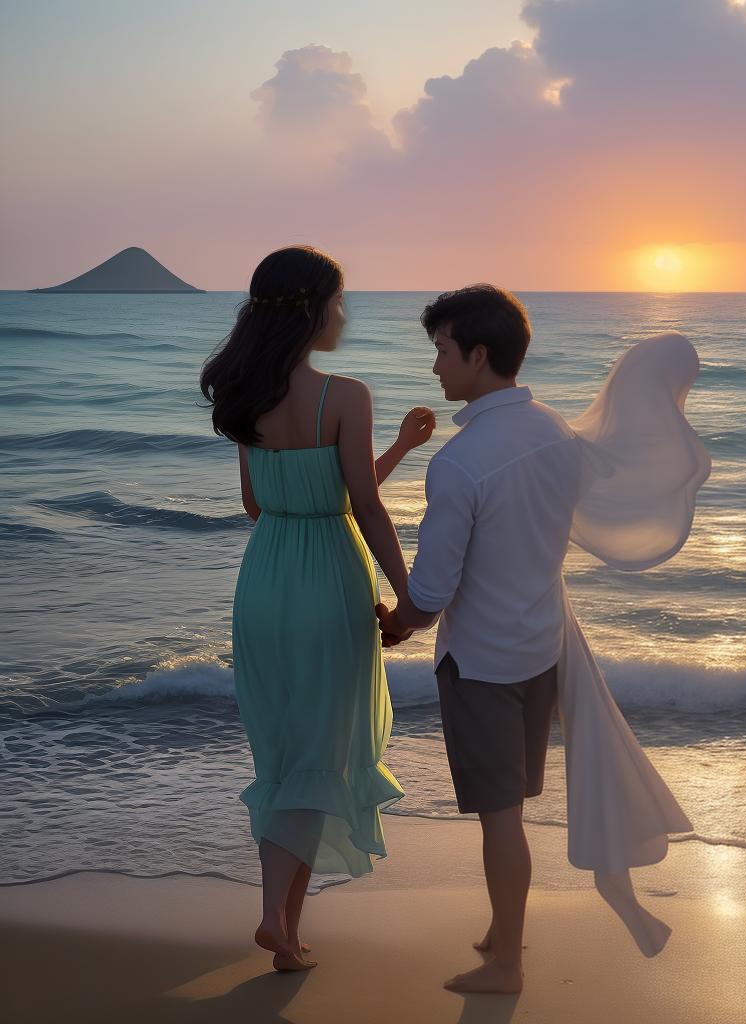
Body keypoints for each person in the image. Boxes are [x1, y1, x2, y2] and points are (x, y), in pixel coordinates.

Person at [200, 245, 435, 972]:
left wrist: (395, 447)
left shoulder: (243, 396)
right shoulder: (346, 395)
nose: (345, 313)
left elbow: (259, 503)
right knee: (321, 752)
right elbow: (360, 503)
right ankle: (273, 916)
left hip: (265, 581)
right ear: (313, 308)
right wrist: (410, 595)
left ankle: (288, 936)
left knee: (285, 753)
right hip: (330, 580)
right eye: (339, 300)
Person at [377, 284, 584, 994]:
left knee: (500, 819)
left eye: (441, 350)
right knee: (512, 807)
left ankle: (507, 967)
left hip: (485, 664)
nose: (435, 366)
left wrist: (395, 621)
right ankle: (504, 930)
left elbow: (432, 593)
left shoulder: (460, 462)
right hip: (541, 647)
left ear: (478, 354)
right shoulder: (558, 432)